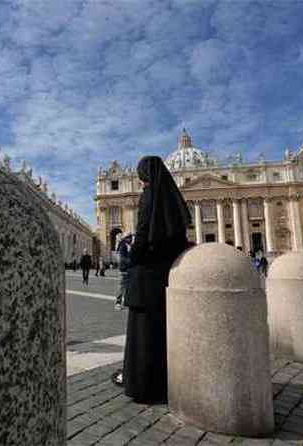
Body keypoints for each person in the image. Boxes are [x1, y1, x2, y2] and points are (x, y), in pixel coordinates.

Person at [112, 156, 191, 405]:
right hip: (165, 274)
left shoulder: (148, 196)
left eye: (141, 174)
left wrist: (132, 256)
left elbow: (144, 232)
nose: (140, 179)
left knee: (142, 332)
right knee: (161, 331)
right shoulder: (171, 199)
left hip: (145, 275)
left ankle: (141, 383)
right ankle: (164, 380)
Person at [114, 234, 134, 311]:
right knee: (121, 287)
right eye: (129, 237)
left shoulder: (129, 245)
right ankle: (117, 303)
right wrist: (131, 262)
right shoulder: (122, 246)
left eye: (131, 237)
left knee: (129, 287)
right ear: (126, 238)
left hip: (129, 270)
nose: (130, 239)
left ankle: (128, 302)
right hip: (124, 270)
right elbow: (122, 258)